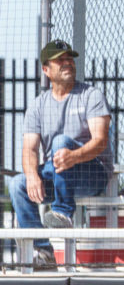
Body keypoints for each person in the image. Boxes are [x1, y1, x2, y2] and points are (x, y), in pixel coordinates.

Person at [11, 40, 113, 270]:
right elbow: (29, 149)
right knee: (18, 183)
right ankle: (43, 251)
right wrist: (32, 176)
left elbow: (100, 141)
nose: (67, 63)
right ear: (46, 70)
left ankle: (63, 213)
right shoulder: (37, 105)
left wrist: (74, 156)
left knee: (61, 142)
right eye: (60, 60)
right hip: (57, 171)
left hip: (92, 172)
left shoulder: (91, 95)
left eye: (70, 59)